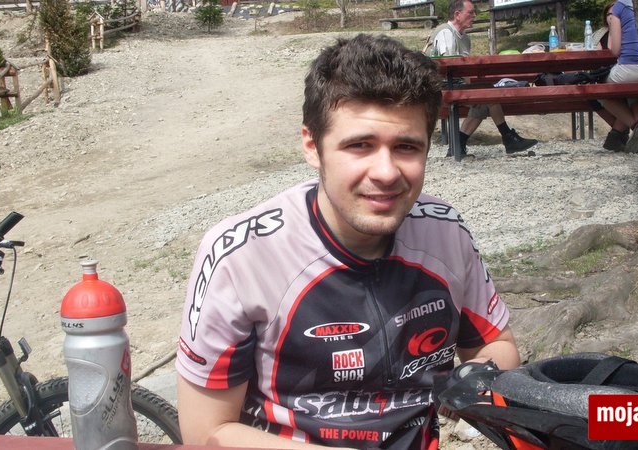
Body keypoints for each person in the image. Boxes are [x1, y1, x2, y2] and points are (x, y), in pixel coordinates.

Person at [175, 34, 521, 450]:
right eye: (360, 145)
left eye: (406, 147)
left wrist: (473, 380)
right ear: (312, 146)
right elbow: (205, 432)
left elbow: (498, 345)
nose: (386, 172)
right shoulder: (241, 256)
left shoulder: (445, 232)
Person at [427, 0, 537, 157]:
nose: (474, 15)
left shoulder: (465, 38)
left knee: (484, 97)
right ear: (457, 15)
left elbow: (463, 72)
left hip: (454, 84)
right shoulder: (445, 32)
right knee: (487, 93)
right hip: (440, 87)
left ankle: (458, 145)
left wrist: (472, 90)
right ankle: (508, 138)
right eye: (470, 12)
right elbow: (448, 64)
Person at [599, 0, 638, 153]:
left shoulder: (619, 8)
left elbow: (615, 50)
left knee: (601, 90)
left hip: (627, 67)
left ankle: (635, 125)